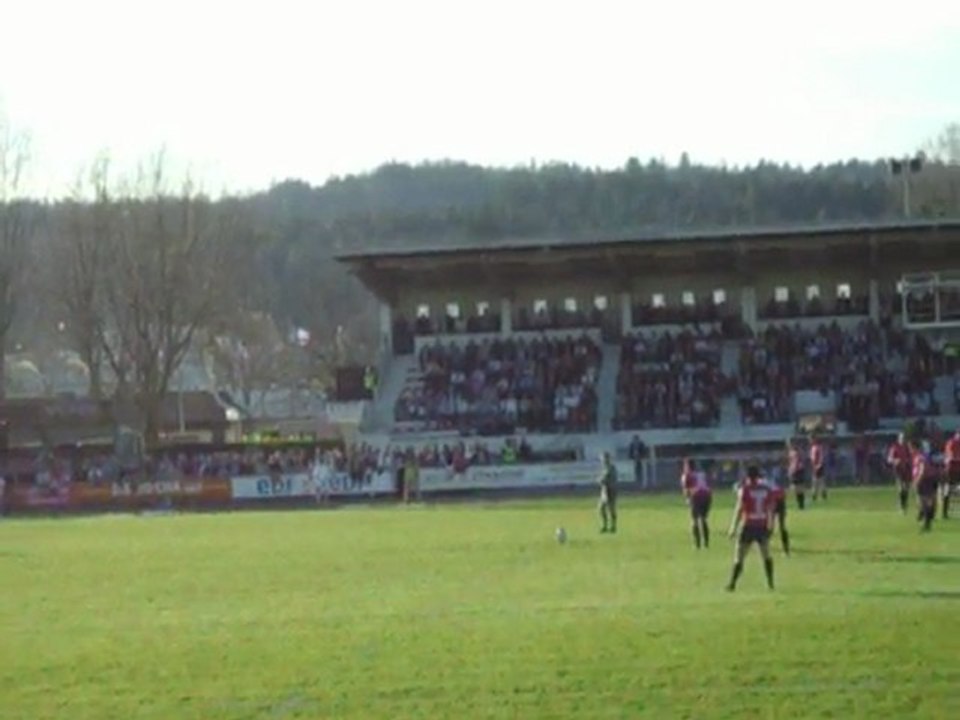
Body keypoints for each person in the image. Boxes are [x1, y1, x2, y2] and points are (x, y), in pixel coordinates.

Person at [726, 465, 776, 591]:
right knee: (766, 555)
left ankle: (732, 584)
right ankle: (770, 583)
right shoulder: (766, 489)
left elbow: (739, 509)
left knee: (739, 556)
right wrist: (771, 524)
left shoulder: (745, 490)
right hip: (762, 525)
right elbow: (771, 508)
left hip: (748, 525)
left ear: (747, 477)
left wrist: (733, 527)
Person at [680, 458, 712, 549]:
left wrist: (688, 499)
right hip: (707, 495)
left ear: (687, 466)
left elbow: (686, 490)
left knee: (694, 520)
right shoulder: (701, 474)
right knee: (703, 519)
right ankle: (706, 543)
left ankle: (697, 544)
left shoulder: (686, 475)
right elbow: (708, 485)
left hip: (696, 495)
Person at [912, 440, 937, 532]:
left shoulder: (920, 457)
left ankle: (926, 523)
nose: (910, 450)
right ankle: (927, 521)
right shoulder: (920, 456)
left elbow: (923, 469)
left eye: (911, 448)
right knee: (925, 502)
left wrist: (918, 480)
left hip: (924, 480)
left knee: (923, 502)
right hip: (927, 479)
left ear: (915, 448)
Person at [887, 432, 913, 514]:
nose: (903, 440)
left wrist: (909, 461)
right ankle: (902, 506)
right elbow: (889, 459)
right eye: (902, 438)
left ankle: (904, 504)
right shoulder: (894, 447)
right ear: (899, 439)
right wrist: (896, 460)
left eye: (904, 438)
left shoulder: (908, 448)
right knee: (901, 488)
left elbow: (912, 457)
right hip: (898, 471)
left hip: (907, 470)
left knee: (906, 488)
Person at [766, 471, 790, 555]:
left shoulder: (765, 480)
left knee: (771, 526)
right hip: (779, 499)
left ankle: (765, 546)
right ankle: (786, 549)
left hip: (775, 498)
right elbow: (783, 492)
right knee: (781, 526)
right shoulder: (776, 478)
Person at [598, 451, 618, 534]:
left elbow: (608, 479)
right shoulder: (604, 468)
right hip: (604, 490)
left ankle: (613, 526)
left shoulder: (611, 468)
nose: (602, 460)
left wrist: (602, 480)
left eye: (604, 458)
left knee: (610, 509)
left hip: (610, 490)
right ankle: (605, 526)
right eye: (602, 458)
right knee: (601, 508)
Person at [942, 429, 959, 520]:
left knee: (954, 490)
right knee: (947, 490)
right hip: (951, 470)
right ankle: (944, 512)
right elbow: (951, 456)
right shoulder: (951, 442)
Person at [786, 438, 807, 510]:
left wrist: (794, 469)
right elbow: (791, 462)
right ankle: (800, 504)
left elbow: (798, 462)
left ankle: (801, 504)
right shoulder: (791, 452)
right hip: (795, 471)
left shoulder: (797, 452)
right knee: (797, 488)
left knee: (798, 487)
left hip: (798, 471)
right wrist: (790, 469)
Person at [810, 436, 827, 502]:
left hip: (818, 466)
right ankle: (820, 494)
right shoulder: (813, 447)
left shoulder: (818, 447)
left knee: (817, 480)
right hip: (815, 465)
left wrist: (819, 465)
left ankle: (817, 495)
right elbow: (812, 458)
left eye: (811, 439)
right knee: (817, 480)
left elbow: (821, 457)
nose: (810, 441)